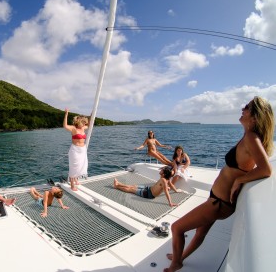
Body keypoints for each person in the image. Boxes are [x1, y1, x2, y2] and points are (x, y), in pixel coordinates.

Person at [164, 96, 274, 272]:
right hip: (218, 199)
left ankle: (176, 263)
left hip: (219, 204)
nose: (242, 109)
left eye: (246, 107)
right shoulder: (248, 136)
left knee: (177, 228)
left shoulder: (252, 138)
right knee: (200, 232)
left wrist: (240, 179)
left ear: (254, 117)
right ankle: (180, 257)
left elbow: (266, 169)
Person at [113, 166, 182, 207]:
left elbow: (166, 192)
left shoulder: (164, 180)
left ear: (163, 174)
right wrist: (176, 190)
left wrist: (170, 202)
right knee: (133, 186)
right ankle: (119, 183)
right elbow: (171, 185)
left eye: (162, 170)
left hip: (149, 194)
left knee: (131, 189)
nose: (160, 170)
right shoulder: (166, 179)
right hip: (148, 189)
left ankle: (117, 186)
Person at [63, 108, 89, 191]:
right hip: (75, 150)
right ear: (80, 122)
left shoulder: (83, 128)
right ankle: (72, 185)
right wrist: (66, 113)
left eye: (85, 122)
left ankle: (76, 179)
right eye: (84, 122)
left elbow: (91, 124)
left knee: (81, 166)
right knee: (74, 167)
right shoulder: (74, 128)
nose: (85, 123)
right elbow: (65, 126)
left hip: (83, 150)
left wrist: (92, 115)